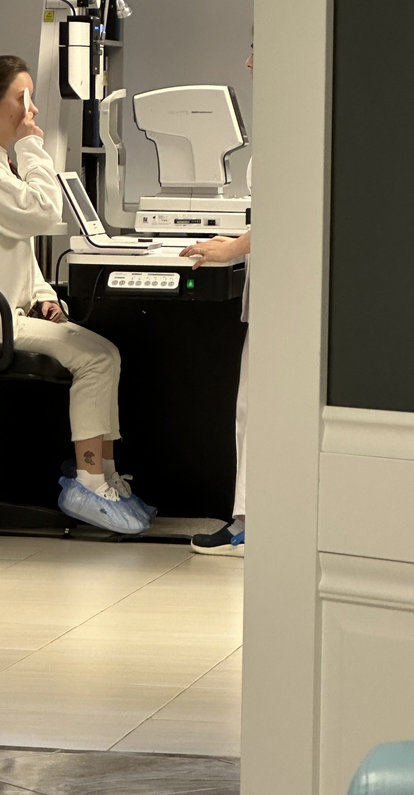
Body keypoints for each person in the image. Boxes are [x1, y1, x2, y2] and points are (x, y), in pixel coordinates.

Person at [0, 55, 154, 535]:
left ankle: (106, 477)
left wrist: (44, 294)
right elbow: (43, 212)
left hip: (12, 308)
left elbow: (15, 247)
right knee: (95, 359)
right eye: (23, 98)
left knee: (106, 353)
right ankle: (88, 481)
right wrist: (34, 149)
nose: (33, 109)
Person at [180, 41, 254, 557]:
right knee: (253, 406)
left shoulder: (297, 117)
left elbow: (291, 208)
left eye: (256, 49)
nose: (248, 62)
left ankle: (250, 522)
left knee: (256, 407)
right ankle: (250, 518)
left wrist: (232, 248)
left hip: (290, 294)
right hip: (281, 287)